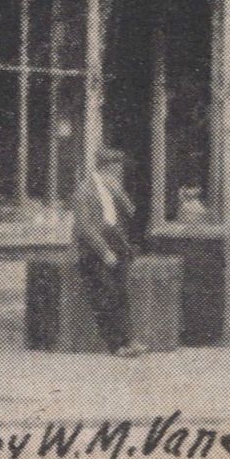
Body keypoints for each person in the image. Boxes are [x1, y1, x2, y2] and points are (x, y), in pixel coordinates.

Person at [72, 144, 140, 357]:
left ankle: (128, 340)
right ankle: (115, 344)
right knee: (106, 294)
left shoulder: (113, 190)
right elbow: (85, 228)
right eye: (116, 169)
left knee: (122, 294)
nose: (119, 174)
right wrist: (104, 252)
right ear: (105, 168)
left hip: (117, 245)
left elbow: (131, 212)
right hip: (94, 251)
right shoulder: (84, 191)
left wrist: (119, 193)